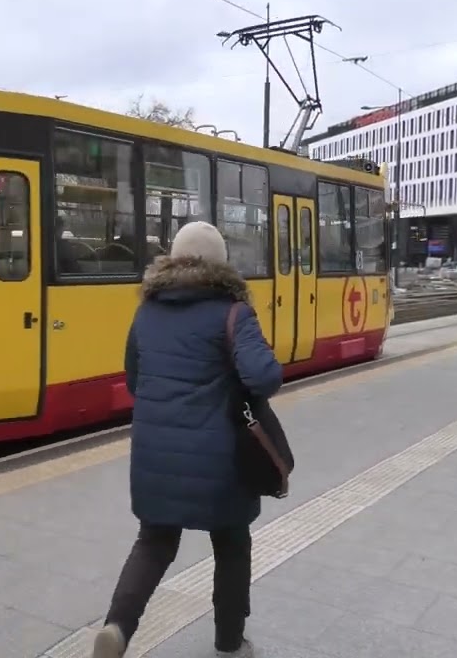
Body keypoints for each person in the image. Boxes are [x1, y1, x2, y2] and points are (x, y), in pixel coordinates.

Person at [92, 221, 283, 658]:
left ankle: (117, 628)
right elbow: (265, 377)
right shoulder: (234, 312)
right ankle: (230, 644)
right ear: (222, 263)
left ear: (173, 258)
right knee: (231, 544)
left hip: (155, 456)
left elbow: (135, 380)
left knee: (153, 543)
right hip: (222, 460)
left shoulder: (147, 311)